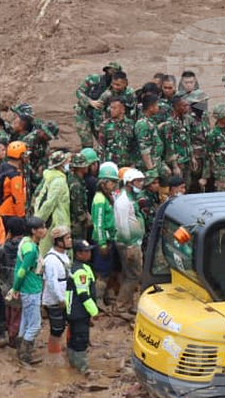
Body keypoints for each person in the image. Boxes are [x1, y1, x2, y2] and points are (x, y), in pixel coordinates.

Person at [8, 216, 47, 366]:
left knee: (25, 320)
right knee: (35, 325)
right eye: (41, 228)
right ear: (33, 231)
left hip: (27, 288)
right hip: (31, 289)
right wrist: (15, 288)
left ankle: (20, 350)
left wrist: (16, 288)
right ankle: (25, 354)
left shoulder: (25, 243)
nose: (44, 231)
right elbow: (22, 271)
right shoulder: (31, 250)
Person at [113, 169, 145, 312]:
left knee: (129, 274)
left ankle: (128, 304)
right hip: (129, 243)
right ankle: (121, 305)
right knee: (134, 275)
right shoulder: (124, 201)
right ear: (130, 183)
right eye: (138, 181)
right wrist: (130, 245)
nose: (141, 184)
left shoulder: (130, 197)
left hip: (132, 242)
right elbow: (123, 225)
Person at [66, 239, 99, 374]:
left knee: (73, 338)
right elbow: (83, 294)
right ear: (78, 253)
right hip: (79, 311)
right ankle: (83, 368)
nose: (89, 253)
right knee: (81, 339)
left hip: (73, 310)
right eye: (86, 251)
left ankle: (72, 365)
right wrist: (94, 311)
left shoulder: (78, 267)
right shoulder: (81, 271)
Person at [42, 225, 73, 365]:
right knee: (57, 328)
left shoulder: (64, 256)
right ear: (58, 241)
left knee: (66, 324)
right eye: (67, 238)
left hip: (64, 298)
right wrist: (60, 299)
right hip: (55, 300)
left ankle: (64, 350)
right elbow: (51, 282)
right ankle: (54, 357)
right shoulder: (51, 260)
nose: (70, 240)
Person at [90, 162, 119, 306]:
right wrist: (102, 244)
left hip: (109, 239)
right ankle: (98, 301)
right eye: (112, 182)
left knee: (108, 271)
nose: (114, 185)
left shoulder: (108, 197)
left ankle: (107, 296)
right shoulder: (100, 200)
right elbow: (98, 223)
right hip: (103, 240)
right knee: (101, 272)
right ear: (104, 182)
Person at [74, 62, 122, 148]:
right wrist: (90, 101)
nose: (111, 73)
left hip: (98, 117)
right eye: (110, 71)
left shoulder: (114, 89)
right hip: (83, 114)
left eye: (114, 72)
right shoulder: (93, 79)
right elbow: (79, 92)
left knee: (104, 142)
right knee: (87, 143)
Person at [35, 152, 71, 256]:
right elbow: (49, 204)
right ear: (60, 164)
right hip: (56, 222)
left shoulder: (51, 178)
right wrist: (38, 223)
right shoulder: (58, 181)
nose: (69, 163)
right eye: (67, 161)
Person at [0, 217, 27, 346]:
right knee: (18, 313)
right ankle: (15, 338)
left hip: (6, 284)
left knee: (9, 310)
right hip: (22, 285)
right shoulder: (27, 247)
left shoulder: (4, 247)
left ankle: (9, 333)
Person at [135, 93, 170, 188]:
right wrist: (150, 169)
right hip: (149, 164)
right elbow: (144, 149)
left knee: (167, 174)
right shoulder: (142, 124)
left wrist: (160, 126)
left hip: (157, 160)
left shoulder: (149, 121)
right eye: (157, 105)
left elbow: (151, 135)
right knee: (150, 186)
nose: (158, 107)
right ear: (151, 107)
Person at [98, 97, 138, 168]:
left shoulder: (131, 124)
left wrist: (134, 163)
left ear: (122, 110)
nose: (111, 110)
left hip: (128, 164)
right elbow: (101, 147)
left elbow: (135, 146)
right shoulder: (105, 125)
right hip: (111, 165)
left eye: (114, 108)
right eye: (111, 107)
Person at [205, 105, 225, 191]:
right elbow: (208, 156)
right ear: (221, 116)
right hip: (221, 173)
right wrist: (204, 177)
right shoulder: (212, 135)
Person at [0, 142, 28, 221]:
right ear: (21, 156)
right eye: (25, 155)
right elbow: (18, 199)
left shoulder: (4, 166)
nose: (27, 157)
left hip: (0, 208)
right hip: (9, 213)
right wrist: (21, 217)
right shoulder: (15, 176)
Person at [68, 151, 94, 241]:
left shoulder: (79, 180)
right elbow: (77, 207)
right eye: (85, 165)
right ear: (79, 167)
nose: (87, 167)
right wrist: (86, 218)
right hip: (76, 224)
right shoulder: (75, 184)